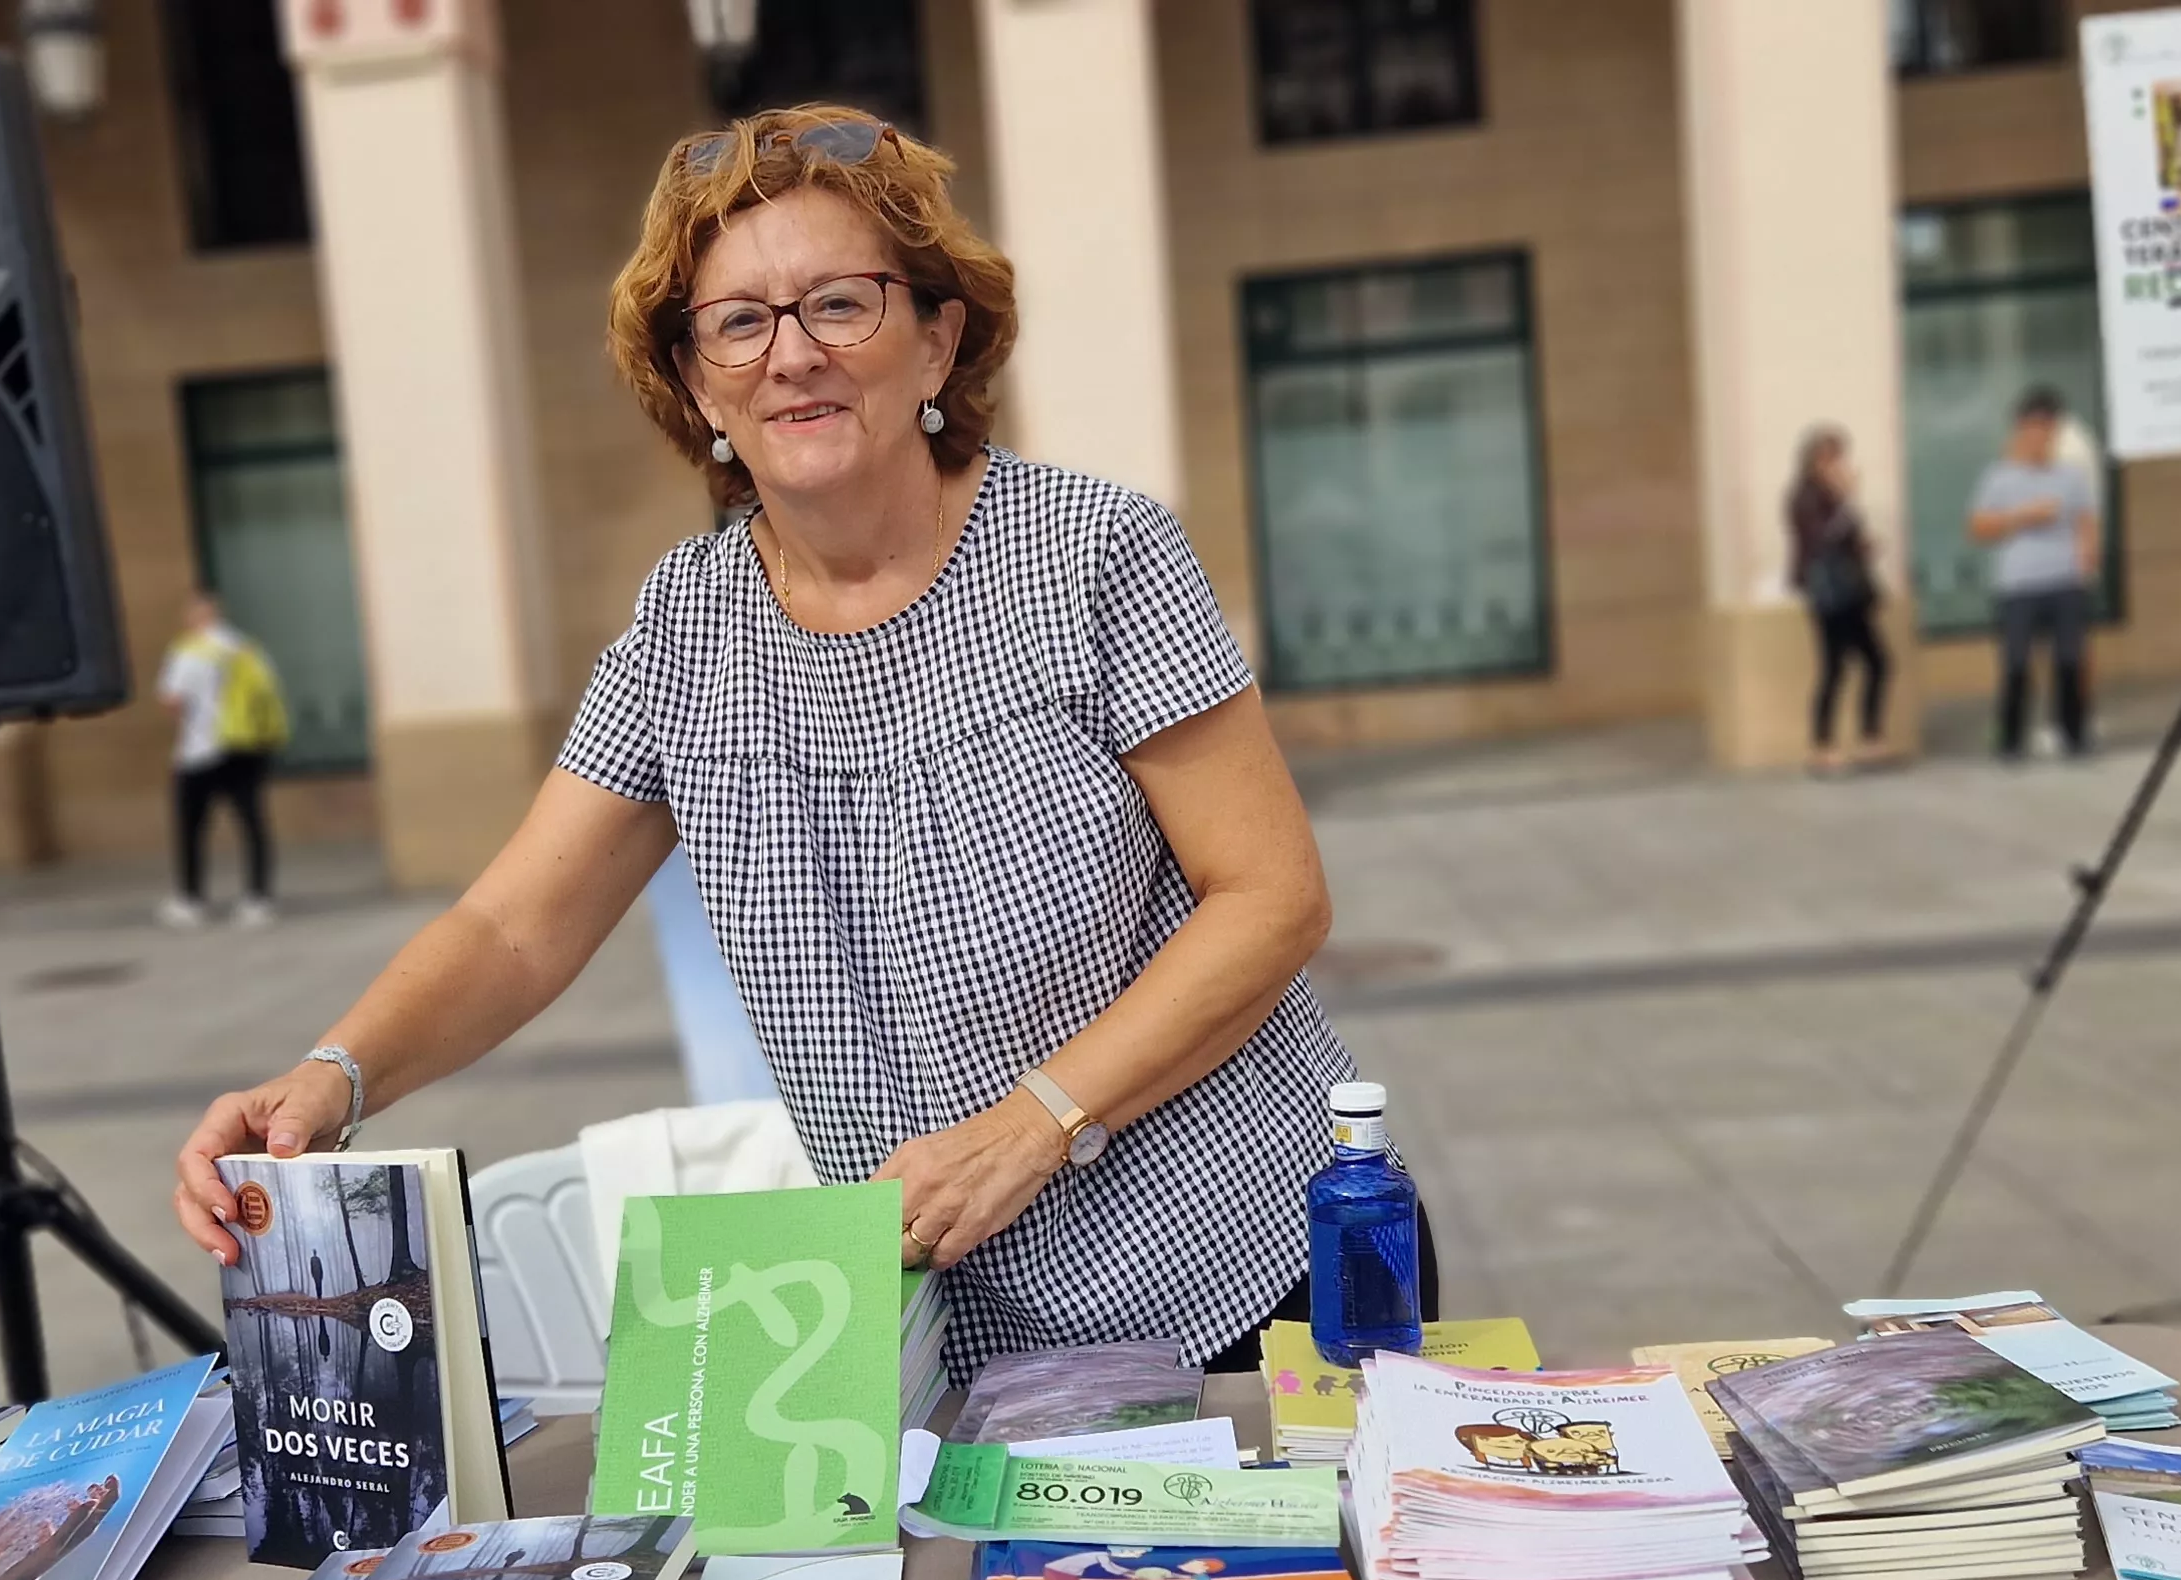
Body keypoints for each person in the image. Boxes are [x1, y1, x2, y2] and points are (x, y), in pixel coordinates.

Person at [169, 105, 1388, 1382]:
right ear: (698, 385)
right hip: (940, 1339)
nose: (791, 356)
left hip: (1245, 1280)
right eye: (740, 323)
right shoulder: (683, 624)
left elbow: (1270, 896)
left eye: (840, 306)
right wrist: (332, 1077)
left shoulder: (1092, 552)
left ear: (938, 341)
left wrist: (1040, 1119)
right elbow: (513, 927)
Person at [1966, 385, 2104, 762]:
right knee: (2016, 663)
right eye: (2033, 428)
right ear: (2020, 430)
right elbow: (1978, 528)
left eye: (2047, 429)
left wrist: (2088, 561)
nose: (2040, 436)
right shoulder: (1998, 478)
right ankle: (2011, 739)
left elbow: (2087, 521)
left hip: (2066, 581)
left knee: (2069, 660)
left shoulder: (2071, 477)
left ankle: (2073, 734)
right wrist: (2021, 516)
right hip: (2018, 585)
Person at [155, 593, 288, 929]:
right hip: (245, 746)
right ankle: (258, 898)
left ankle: (191, 900)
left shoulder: (187, 651)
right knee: (252, 822)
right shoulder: (246, 648)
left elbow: (172, 701)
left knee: (191, 827)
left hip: (199, 752)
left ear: (193, 617)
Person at [1785, 425, 1886, 774]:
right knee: (1833, 667)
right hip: (1827, 592)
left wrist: (1864, 547)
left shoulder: (1835, 497)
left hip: (1852, 589)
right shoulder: (1805, 496)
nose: (1838, 464)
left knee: (1877, 662)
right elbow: (1822, 538)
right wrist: (1847, 499)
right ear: (1813, 461)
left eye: (1840, 456)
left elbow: (1846, 538)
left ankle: (1870, 739)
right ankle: (1821, 746)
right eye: (1829, 457)